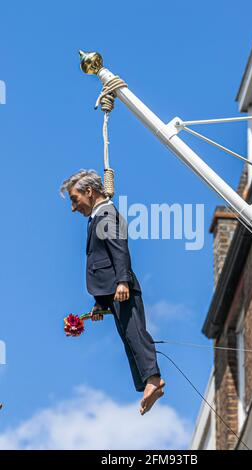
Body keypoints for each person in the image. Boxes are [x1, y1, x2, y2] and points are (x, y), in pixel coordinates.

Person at [60, 169, 165, 415]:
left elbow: (119, 249)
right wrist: (100, 303)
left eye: (75, 199)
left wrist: (122, 282)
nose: (73, 208)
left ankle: (153, 379)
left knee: (135, 332)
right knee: (128, 337)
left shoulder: (106, 213)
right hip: (111, 291)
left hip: (121, 287)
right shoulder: (96, 218)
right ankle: (147, 382)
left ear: (89, 191)